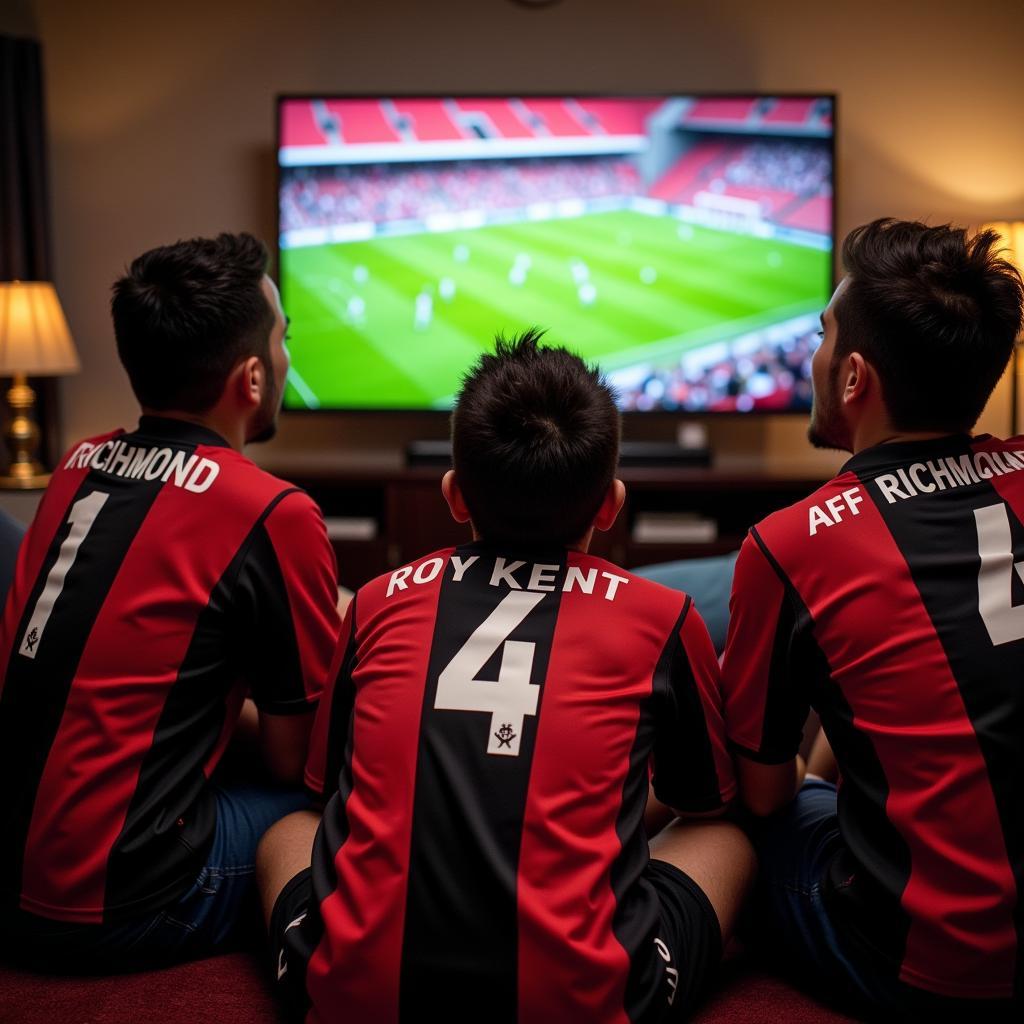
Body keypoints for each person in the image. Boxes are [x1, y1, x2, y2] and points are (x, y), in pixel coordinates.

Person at [257, 330, 755, 1022]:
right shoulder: (663, 616)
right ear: (610, 505)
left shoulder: (376, 600)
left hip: (352, 998)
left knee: (286, 830)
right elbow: (706, 803)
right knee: (730, 833)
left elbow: (329, 791)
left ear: (454, 495)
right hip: (589, 1002)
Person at [0, 233, 341, 970]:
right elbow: (291, 759)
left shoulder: (74, 464)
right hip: (119, 901)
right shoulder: (273, 511)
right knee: (333, 803)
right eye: (283, 341)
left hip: (11, 871)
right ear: (251, 379)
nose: (286, 358)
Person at [719, 219, 1024, 1018]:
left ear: (853, 377)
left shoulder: (787, 546)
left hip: (935, 966)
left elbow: (759, 794)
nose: (813, 354)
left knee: (728, 817)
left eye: (822, 333)